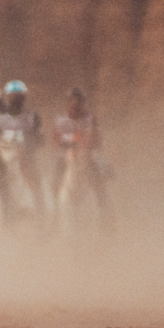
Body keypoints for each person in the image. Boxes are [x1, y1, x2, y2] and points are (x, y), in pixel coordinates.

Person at [52, 87, 111, 228]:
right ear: (68, 102)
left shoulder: (90, 119)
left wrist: (88, 143)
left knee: (99, 182)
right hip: (65, 157)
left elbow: (97, 138)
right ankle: (55, 217)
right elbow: (55, 138)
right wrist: (72, 140)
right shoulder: (60, 120)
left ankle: (106, 220)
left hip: (86, 156)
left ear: (83, 102)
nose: (75, 104)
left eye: (78, 101)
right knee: (54, 183)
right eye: (72, 101)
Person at [0, 79, 46, 215]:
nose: (15, 99)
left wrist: (28, 149)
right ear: (7, 97)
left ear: (24, 98)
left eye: (19, 96)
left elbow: (41, 139)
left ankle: (40, 213)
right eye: (12, 95)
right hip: (3, 161)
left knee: (37, 182)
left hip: (25, 160)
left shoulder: (32, 117)